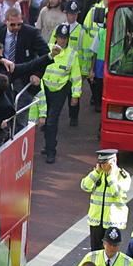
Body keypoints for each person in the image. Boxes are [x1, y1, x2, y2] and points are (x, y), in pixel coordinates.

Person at [41, 23, 82, 164]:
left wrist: (75, 95)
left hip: (60, 90)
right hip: (45, 88)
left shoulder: (72, 54)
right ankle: (48, 145)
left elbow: (76, 76)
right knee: (45, 121)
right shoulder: (47, 49)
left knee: (52, 121)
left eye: (65, 38)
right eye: (60, 37)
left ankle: (51, 151)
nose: (62, 40)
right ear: (56, 37)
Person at [81, 149, 130, 250]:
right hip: (96, 221)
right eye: (100, 163)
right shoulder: (98, 174)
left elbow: (116, 193)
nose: (102, 166)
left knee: (110, 252)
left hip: (113, 222)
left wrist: (110, 177)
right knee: (95, 252)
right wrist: (96, 172)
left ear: (113, 162)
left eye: (105, 163)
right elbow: (84, 186)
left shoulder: (122, 176)